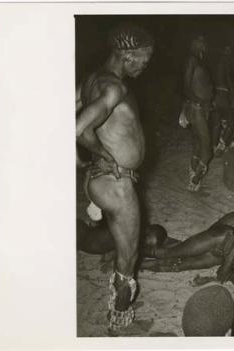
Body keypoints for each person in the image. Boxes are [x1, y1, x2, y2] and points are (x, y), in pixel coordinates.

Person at [76, 23, 153, 332]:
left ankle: (119, 302)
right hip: (116, 183)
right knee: (129, 257)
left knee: (125, 244)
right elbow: (78, 128)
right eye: (144, 59)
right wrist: (105, 155)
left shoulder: (92, 80)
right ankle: (119, 321)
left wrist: (84, 160)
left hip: (102, 178)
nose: (146, 66)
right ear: (127, 55)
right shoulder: (114, 87)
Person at [179, 35, 214, 191]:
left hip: (201, 107)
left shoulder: (199, 60)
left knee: (198, 144)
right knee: (207, 148)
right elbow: (186, 86)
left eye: (204, 40)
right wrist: (197, 101)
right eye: (201, 41)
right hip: (197, 108)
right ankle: (194, 180)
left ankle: (194, 180)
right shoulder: (191, 60)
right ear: (194, 43)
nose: (204, 43)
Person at [212, 44, 234, 156]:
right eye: (229, 50)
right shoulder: (225, 61)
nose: (230, 52)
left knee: (217, 122)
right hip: (223, 93)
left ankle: (213, 146)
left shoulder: (215, 61)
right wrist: (232, 95)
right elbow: (228, 78)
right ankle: (221, 145)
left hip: (215, 94)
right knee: (231, 121)